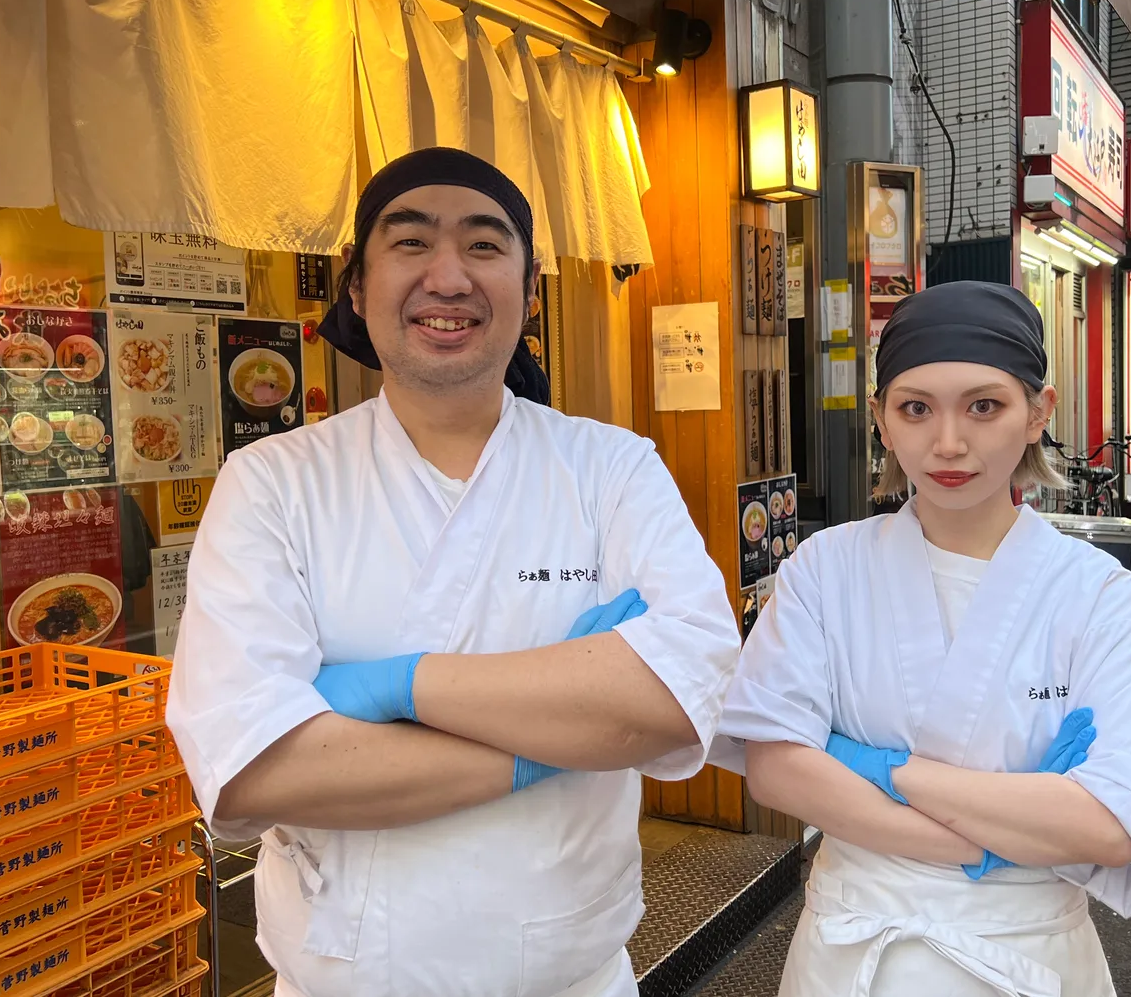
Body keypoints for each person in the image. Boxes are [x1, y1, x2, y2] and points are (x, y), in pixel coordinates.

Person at [166, 148, 741, 997]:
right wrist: (554, 742)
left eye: (483, 244)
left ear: (531, 288)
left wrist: (397, 686)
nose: (447, 277)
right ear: (357, 286)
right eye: (410, 242)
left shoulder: (611, 469)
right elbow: (255, 768)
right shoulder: (274, 483)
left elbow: (683, 695)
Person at [710, 280, 1131, 996]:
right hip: (853, 950)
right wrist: (996, 836)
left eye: (984, 406)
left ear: (1038, 412)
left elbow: (1114, 826)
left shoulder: (1095, 591)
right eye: (916, 408)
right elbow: (777, 769)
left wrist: (878, 768)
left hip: (1029, 950)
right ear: (881, 418)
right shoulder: (826, 567)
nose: (948, 443)